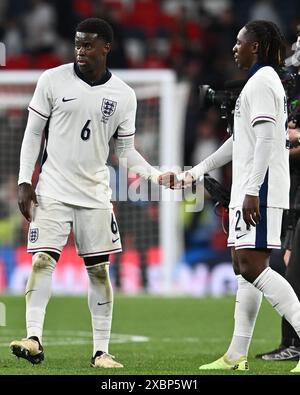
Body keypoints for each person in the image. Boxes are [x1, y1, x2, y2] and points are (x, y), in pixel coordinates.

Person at [10, 18, 161, 369]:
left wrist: (153, 175)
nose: (80, 50)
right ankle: (34, 338)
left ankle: (101, 352)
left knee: (98, 271)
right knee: (43, 260)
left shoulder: (123, 94)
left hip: (94, 193)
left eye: (89, 44)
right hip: (52, 189)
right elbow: (33, 134)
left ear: (106, 47)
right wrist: (24, 180)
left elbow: (124, 151)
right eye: (77, 43)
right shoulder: (52, 80)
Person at [159, 20, 300, 373]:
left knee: (254, 267)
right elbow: (240, 142)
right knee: (243, 269)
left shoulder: (264, 82)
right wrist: (196, 171)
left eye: (240, 42)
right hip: (249, 189)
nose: (234, 48)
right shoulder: (257, 83)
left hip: (261, 189)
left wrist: (253, 190)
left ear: (256, 47)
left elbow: (268, 140)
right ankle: (236, 355)